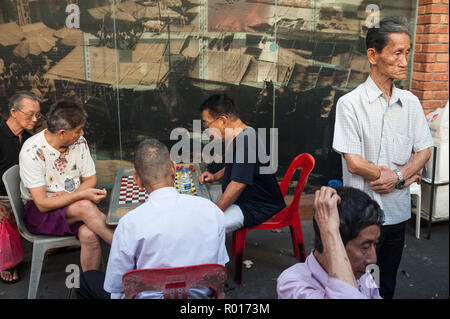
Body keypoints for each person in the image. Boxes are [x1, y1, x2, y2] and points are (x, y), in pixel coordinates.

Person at [332, 17, 434, 299]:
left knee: (385, 283)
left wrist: (399, 177)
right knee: (356, 283)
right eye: (397, 52)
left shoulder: (410, 103)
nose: (404, 61)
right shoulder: (350, 104)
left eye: (407, 52)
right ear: (373, 55)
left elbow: (425, 150)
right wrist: (394, 175)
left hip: (397, 214)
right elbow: (354, 162)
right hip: (361, 217)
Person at [76, 139, 228, 299]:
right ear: (174, 169)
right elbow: (219, 272)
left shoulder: (129, 223)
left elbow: (116, 284)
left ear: (137, 180)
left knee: (86, 280)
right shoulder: (211, 211)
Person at [19, 99, 114, 272]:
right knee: (85, 206)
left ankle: (89, 287)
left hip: (73, 207)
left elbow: (91, 179)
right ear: (62, 133)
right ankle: (131, 251)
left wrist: (70, 198)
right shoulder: (31, 150)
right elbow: (42, 203)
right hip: (40, 213)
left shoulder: (79, 142)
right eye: (78, 130)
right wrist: (77, 197)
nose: (82, 133)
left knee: (89, 234)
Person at [199, 93, 286, 233]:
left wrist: (215, 212)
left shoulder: (246, 140)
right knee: (199, 202)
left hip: (253, 205)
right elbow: (234, 167)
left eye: (207, 124)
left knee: (206, 227)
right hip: (243, 197)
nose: (206, 129)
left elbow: (238, 185)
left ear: (222, 120)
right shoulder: (239, 135)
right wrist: (214, 177)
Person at [277, 186, 384, 299]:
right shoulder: (291, 285)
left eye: (375, 244)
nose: (373, 259)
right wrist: (330, 231)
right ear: (333, 241)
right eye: (365, 247)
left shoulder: (364, 273)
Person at [0, 91, 41, 284]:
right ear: (13, 112)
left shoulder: (27, 139)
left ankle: (54, 243)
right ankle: (8, 260)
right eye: (29, 115)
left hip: (24, 195)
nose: (34, 119)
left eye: (37, 115)